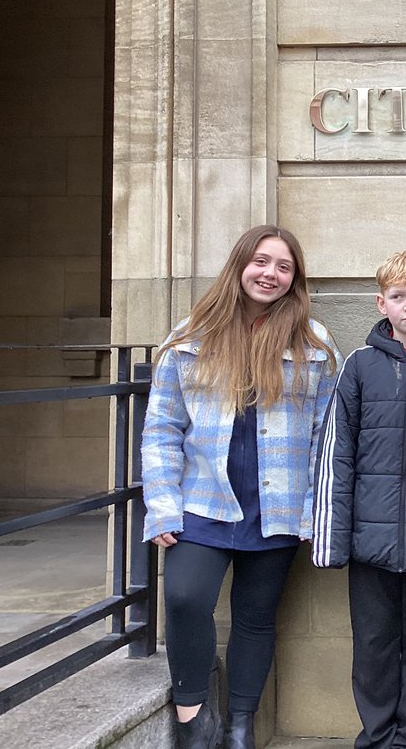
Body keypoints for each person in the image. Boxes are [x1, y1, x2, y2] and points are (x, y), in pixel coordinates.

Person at [141, 225, 340, 749]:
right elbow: (161, 428)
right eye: (261, 261)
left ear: (295, 279)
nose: (270, 274)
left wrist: (314, 512)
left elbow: (325, 437)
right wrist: (161, 506)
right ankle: (193, 718)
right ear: (240, 266)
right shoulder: (188, 339)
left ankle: (239, 726)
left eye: (283, 266)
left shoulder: (314, 345)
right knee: (184, 598)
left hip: (277, 506)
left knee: (255, 617)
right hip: (202, 502)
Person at [310, 250, 406, 749]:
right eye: (399, 297)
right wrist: (332, 541)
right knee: (373, 647)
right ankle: (376, 738)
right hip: (369, 542)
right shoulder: (359, 365)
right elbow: (337, 454)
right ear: (381, 304)